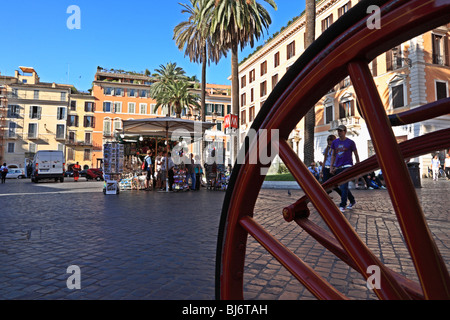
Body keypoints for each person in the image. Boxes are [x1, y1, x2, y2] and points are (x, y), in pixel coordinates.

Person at [330, 125, 360, 212]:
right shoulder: (334, 142)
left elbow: (356, 154)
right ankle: (352, 200)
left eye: (341, 131)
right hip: (338, 167)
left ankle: (343, 205)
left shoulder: (350, 142)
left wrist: (357, 164)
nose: (339, 132)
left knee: (344, 185)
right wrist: (331, 166)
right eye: (338, 131)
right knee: (343, 186)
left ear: (345, 131)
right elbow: (333, 155)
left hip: (347, 166)